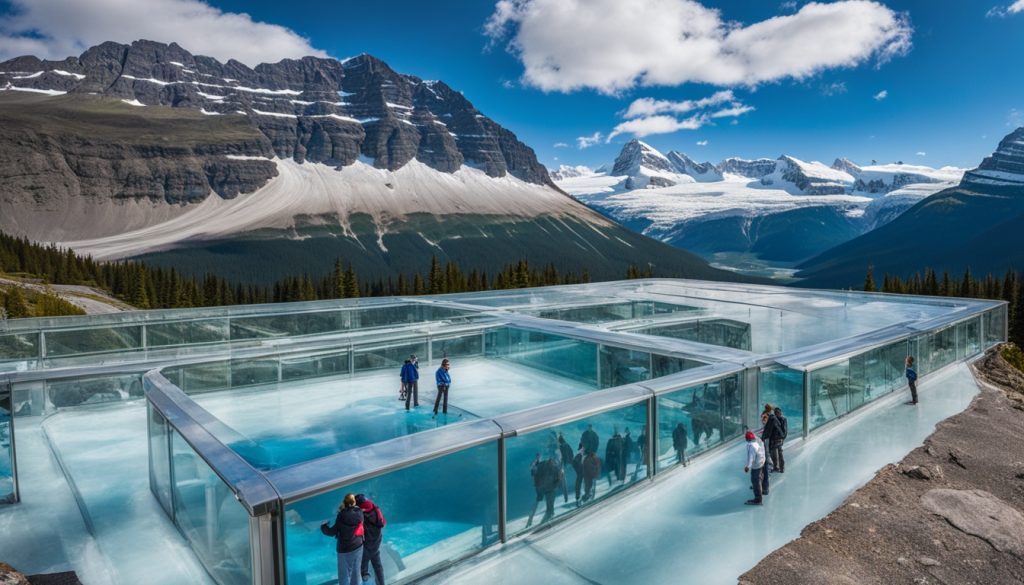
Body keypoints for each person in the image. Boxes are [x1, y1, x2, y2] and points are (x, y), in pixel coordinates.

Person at [321, 493, 365, 585]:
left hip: (344, 549)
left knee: (344, 574)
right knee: (356, 571)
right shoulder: (359, 513)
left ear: (344, 503)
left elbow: (332, 532)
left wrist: (323, 526)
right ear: (354, 502)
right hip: (358, 545)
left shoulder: (341, 517)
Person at [526, 452, 563, 527]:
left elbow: (533, 472)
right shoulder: (553, 464)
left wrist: (536, 462)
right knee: (550, 508)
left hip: (540, 487)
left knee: (538, 501)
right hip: (550, 488)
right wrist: (558, 483)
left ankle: (530, 519)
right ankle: (544, 524)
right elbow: (558, 478)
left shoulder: (539, 464)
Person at [356, 494, 386, 585]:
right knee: (377, 566)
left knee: (362, 568)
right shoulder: (375, 509)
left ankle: (365, 577)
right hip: (376, 542)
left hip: (367, 546)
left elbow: (357, 532)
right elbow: (383, 522)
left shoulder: (360, 515)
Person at [743, 431, 769, 506]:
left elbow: (751, 458)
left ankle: (758, 500)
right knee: (760, 477)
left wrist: (748, 467)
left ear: (747, 439)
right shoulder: (759, 441)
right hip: (762, 463)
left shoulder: (751, 446)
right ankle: (763, 488)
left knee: (755, 481)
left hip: (756, 466)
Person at [761, 405, 783, 472]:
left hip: (770, 437)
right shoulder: (769, 416)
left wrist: (764, 436)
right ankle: (775, 466)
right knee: (771, 452)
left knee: (769, 451)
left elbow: (766, 426)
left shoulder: (768, 416)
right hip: (772, 437)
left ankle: (773, 465)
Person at [557, 433, 574, 503]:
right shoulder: (567, 445)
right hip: (568, 463)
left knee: (563, 481)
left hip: (563, 465)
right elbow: (571, 453)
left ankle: (566, 497)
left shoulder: (561, 447)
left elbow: (561, 457)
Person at [771, 407, 787, 473]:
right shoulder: (783, 419)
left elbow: (784, 430)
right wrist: (783, 438)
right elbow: (785, 430)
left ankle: (778, 467)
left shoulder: (780, 419)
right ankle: (780, 467)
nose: (776, 414)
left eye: (776, 412)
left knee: (777, 454)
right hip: (778, 439)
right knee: (777, 453)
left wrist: (782, 438)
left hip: (777, 439)